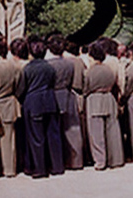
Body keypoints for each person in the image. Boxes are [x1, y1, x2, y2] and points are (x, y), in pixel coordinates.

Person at [18, 37, 64, 178]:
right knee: (53, 135)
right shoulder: (50, 67)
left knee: (36, 137)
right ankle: (57, 166)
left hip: (34, 103)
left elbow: (21, 89)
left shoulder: (28, 68)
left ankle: (40, 168)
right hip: (50, 100)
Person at [0, 37, 23, 177]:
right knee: (8, 140)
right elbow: (18, 85)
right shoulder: (13, 66)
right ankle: (9, 169)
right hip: (9, 103)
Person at [84, 42, 124, 171]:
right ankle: (116, 159)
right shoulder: (109, 69)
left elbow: (86, 88)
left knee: (96, 133)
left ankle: (100, 161)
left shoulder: (90, 71)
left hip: (94, 100)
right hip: (109, 98)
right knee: (112, 131)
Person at [46, 35, 82, 170]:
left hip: (53, 96)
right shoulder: (70, 63)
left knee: (54, 130)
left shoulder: (48, 65)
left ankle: (56, 161)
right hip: (67, 95)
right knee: (72, 130)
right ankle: (75, 161)